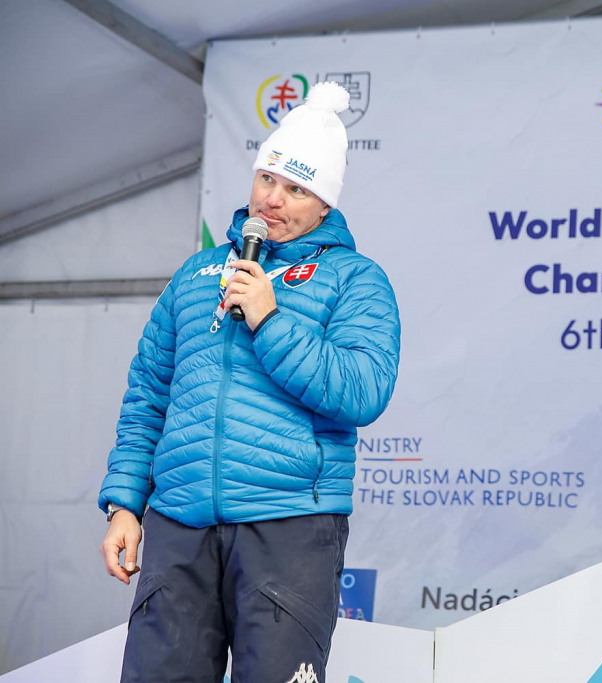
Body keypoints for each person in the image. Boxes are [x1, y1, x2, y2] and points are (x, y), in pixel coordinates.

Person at [97, 81, 400, 683]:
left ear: (324, 205)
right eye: (267, 179)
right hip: (179, 523)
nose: (273, 199)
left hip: (287, 523)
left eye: (297, 188)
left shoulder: (355, 279)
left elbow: (363, 391)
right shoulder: (196, 274)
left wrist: (270, 319)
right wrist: (125, 504)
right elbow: (149, 394)